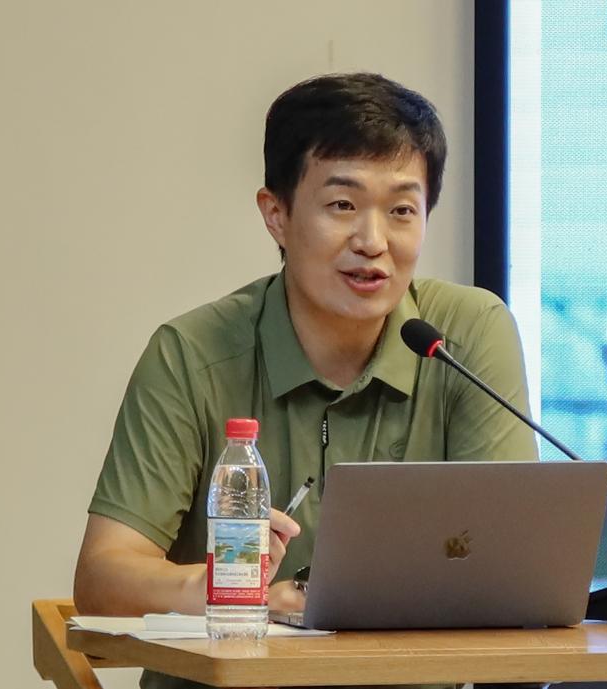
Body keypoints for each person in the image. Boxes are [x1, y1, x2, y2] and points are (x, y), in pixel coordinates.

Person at [73, 72, 539, 689]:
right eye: (342, 205)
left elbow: (512, 571)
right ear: (277, 215)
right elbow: (103, 579)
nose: (373, 242)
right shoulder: (190, 354)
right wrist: (233, 587)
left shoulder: (466, 336)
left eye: (402, 210)